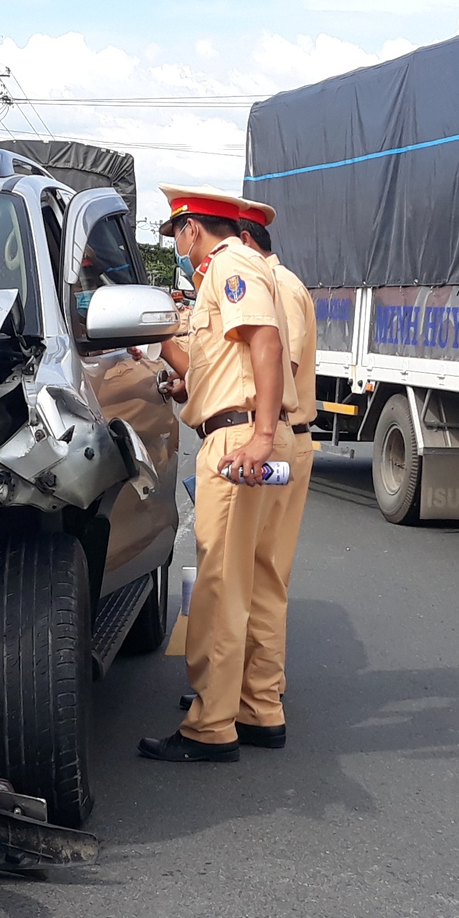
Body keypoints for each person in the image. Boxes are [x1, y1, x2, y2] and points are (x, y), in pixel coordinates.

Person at [139, 186, 287, 763]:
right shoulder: (230, 270)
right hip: (229, 430)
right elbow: (223, 362)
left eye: (177, 234)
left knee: (221, 585)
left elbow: (266, 345)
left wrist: (261, 434)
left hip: (234, 439)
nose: (178, 245)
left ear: (192, 229)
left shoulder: (230, 267)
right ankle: (240, 711)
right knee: (236, 581)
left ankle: (211, 726)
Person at [226, 196, 314, 748]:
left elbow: (283, 368)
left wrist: (258, 436)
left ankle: (259, 701)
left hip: (276, 439)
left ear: (244, 240)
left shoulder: (276, 286)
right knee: (259, 576)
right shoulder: (279, 282)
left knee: (256, 578)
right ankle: (254, 694)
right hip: (282, 439)